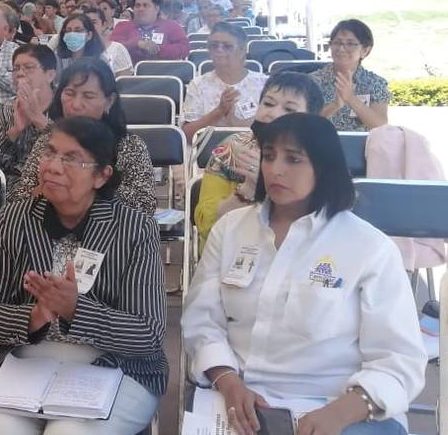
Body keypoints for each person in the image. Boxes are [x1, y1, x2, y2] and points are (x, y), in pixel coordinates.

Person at [182, 113, 425, 435]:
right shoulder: (231, 230)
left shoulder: (369, 248)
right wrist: (227, 381)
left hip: (336, 403)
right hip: (241, 398)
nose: (275, 169)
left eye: (293, 159)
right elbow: (202, 320)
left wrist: (340, 413)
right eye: (269, 156)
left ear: (324, 167)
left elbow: (399, 357)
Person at [0, 117, 166, 435]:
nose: (53, 167)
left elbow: (149, 333)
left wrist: (76, 310)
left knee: (68, 432)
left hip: (112, 363)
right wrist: (33, 316)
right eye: (49, 153)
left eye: (72, 159)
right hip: (27, 360)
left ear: (102, 176)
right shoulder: (18, 218)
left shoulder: (134, 228)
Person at [194, 72, 324, 249]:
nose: (272, 113)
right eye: (268, 103)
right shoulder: (231, 149)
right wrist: (249, 188)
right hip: (234, 253)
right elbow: (206, 226)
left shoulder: (321, 157)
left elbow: (329, 224)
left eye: (289, 109)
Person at [9, 59, 155, 214]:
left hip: (112, 232)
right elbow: (20, 198)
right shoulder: (49, 141)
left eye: (89, 96)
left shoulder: (129, 145)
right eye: (69, 94)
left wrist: (81, 188)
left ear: (109, 102)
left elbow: (144, 204)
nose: (76, 104)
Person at [181, 22, 269, 142]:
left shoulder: (263, 84)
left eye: (227, 46)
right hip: (212, 154)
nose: (219, 50)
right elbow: (187, 135)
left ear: (242, 50)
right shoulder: (198, 85)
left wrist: (238, 125)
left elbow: (276, 131)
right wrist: (219, 112)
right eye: (214, 46)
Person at [0, 44, 59, 185]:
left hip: (52, 181)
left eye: (29, 68)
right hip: (11, 185)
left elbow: (69, 152)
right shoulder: (4, 109)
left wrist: (39, 121)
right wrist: (15, 131)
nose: (20, 73)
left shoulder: (64, 105)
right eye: (16, 68)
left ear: (50, 75)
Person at [310, 20, 389, 131]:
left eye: (350, 43)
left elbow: (380, 126)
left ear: (365, 51)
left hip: (363, 147)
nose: (341, 48)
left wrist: (350, 98)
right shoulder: (311, 81)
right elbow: (305, 123)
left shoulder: (376, 84)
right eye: (337, 43)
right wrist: (335, 105)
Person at [109, 0, 190, 64]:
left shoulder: (172, 26)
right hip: (131, 76)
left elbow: (184, 48)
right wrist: (137, 44)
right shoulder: (123, 26)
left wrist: (156, 49)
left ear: (157, 8)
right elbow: (113, 48)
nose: (141, 9)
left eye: (146, 5)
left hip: (165, 74)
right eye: (137, 5)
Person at [81, 6, 133, 76]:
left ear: (104, 25)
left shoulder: (117, 48)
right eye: (86, 23)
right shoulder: (78, 50)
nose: (89, 26)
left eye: (94, 22)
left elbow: (124, 82)